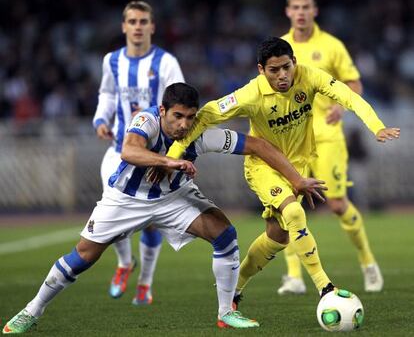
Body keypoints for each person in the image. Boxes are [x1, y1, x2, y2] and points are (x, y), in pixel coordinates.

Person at [2, 82, 328, 334]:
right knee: (83, 256)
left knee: (224, 233)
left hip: (173, 199)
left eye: (190, 117)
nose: (184, 125)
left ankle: (226, 312)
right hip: (126, 200)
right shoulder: (146, 119)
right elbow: (130, 151)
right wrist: (168, 160)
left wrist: (296, 179)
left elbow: (256, 145)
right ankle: (32, 310)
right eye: (177, 116)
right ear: (163, 111)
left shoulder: (199, 133)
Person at [165, 38, 400, 308]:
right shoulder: (250, 94)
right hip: (263, 166)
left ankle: (235, 289)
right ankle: (325, 287)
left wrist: (376, 126)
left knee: (277, 237)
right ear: (261, 70)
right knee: (294, 213)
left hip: (297, 166)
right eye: (274, 70)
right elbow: (207, 115)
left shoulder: (309, 77)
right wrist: (171, 157)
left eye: (286, 67)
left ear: (294, 63)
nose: (282, 75)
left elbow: (348, 96)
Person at [277, 0, 384, 294]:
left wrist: (342, 106)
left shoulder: (332, 45)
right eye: (295, 7)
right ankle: (294, 276)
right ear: (288, 11)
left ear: (314, 11)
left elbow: (354, 84)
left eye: (305, 7)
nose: (300, 12)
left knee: (337, 204)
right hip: (292, 137)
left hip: (327, 136)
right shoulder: (280, 47)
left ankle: (367, 261)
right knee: (288, 204)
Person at [93, 0, 184, 304]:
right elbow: (107, 93)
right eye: (132, 21)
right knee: (113, 214)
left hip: (155, 154)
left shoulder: (166, 63)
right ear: (124, 26)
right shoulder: (112, 61)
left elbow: (180, 105)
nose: (137, 27)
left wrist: (171, 155)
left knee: (151, 220)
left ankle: (145, 283)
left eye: (143, 22)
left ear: (152, 27)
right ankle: (124, 263)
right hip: (119, 150)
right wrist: (101, 119)